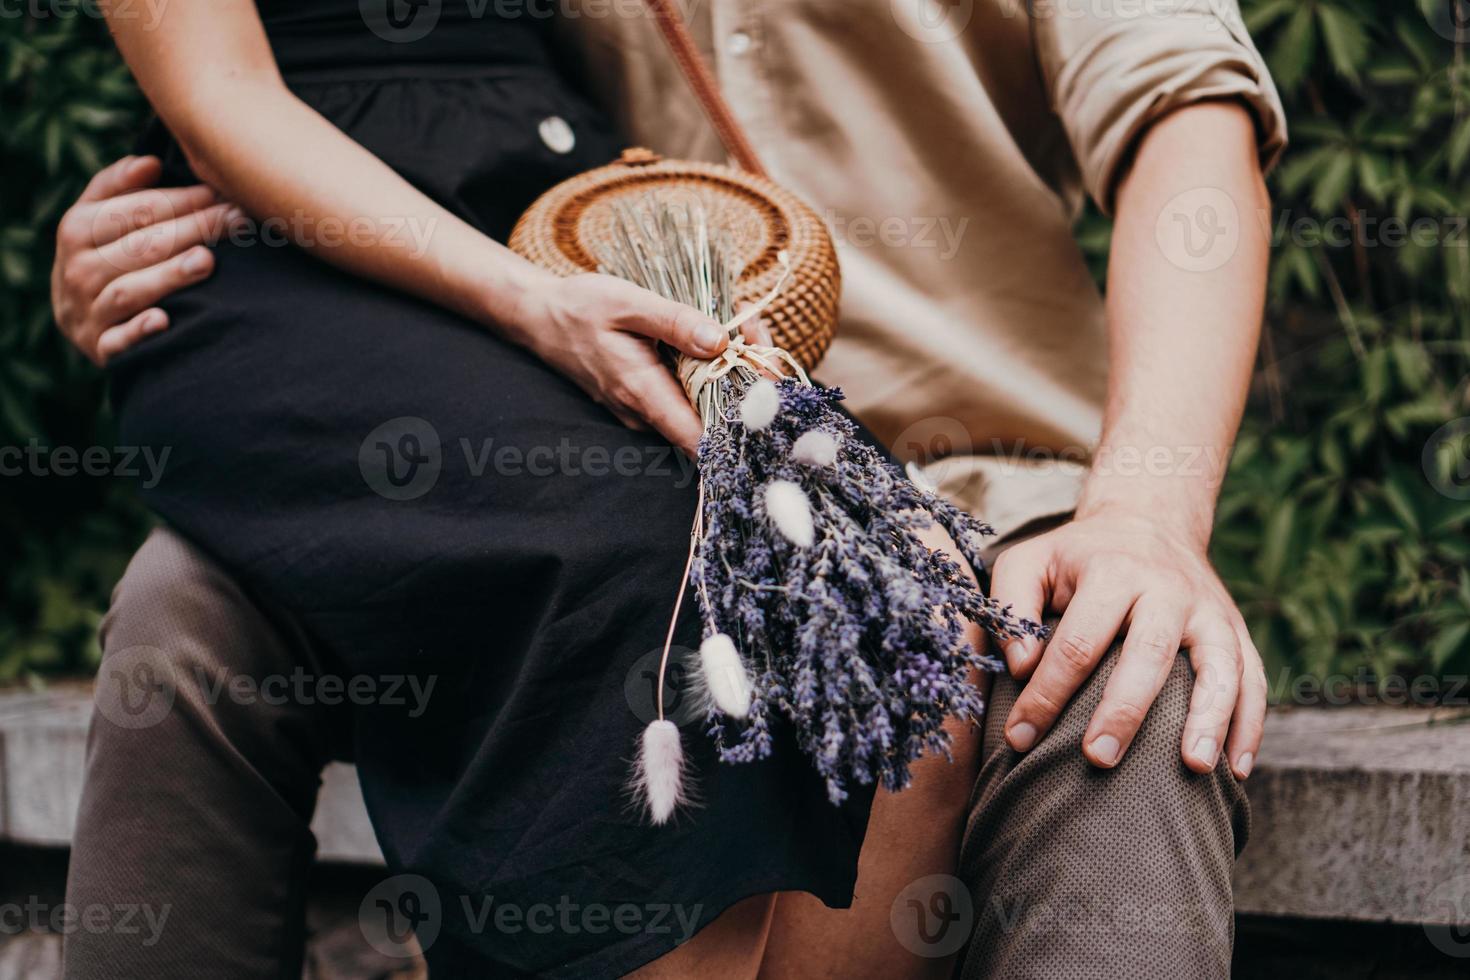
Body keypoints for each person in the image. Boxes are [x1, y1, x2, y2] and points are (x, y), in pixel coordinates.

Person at [52, 1, 1285, 977]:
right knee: (188, 605)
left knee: (1123, 682)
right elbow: (364, 115)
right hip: (633, 440)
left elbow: (1185, 121)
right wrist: (166, 235)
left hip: (985, 466)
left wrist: (1145, 510)